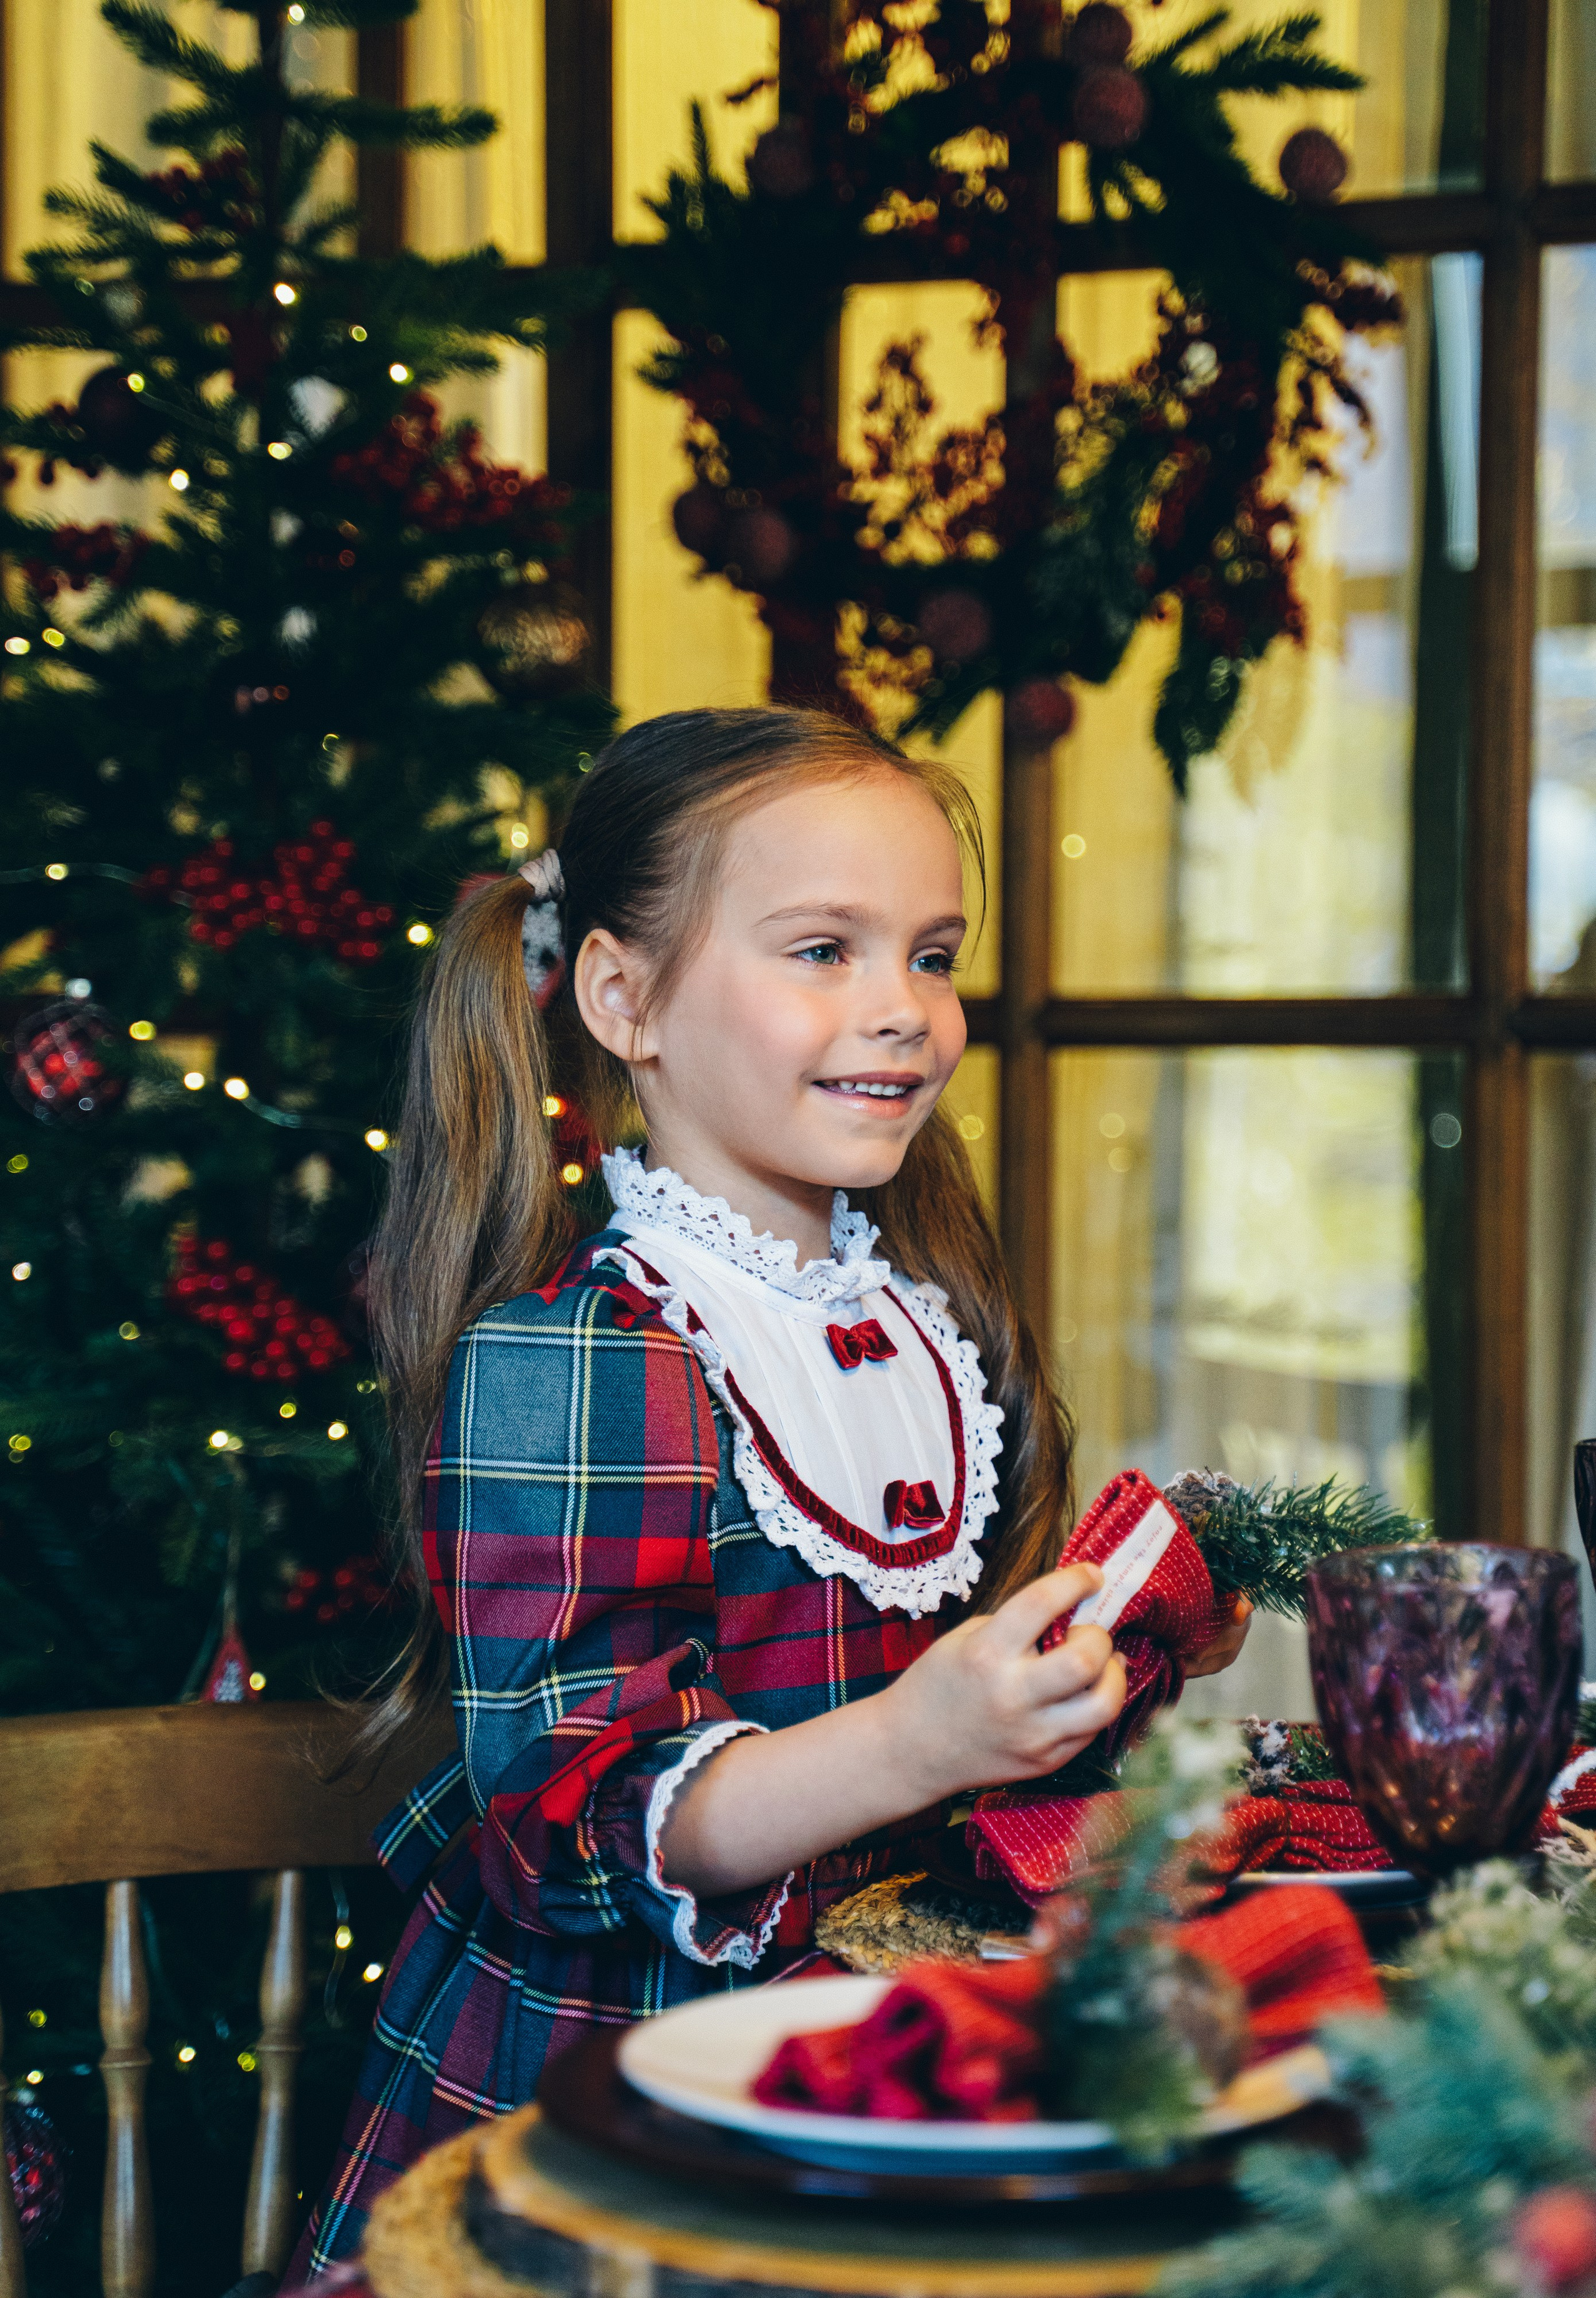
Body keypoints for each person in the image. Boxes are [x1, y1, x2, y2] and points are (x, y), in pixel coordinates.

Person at [291, 707, 1248, 2274]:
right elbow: (560, 1823)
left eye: (930, 955)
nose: (903, 1011)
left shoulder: (923, 1311)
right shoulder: (585, 1350)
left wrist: (1095, 1664)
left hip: (890, 2056)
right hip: (622, 2107)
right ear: (624, 996)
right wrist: (917, 1736)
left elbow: (956, 1743)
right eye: (823, 949)